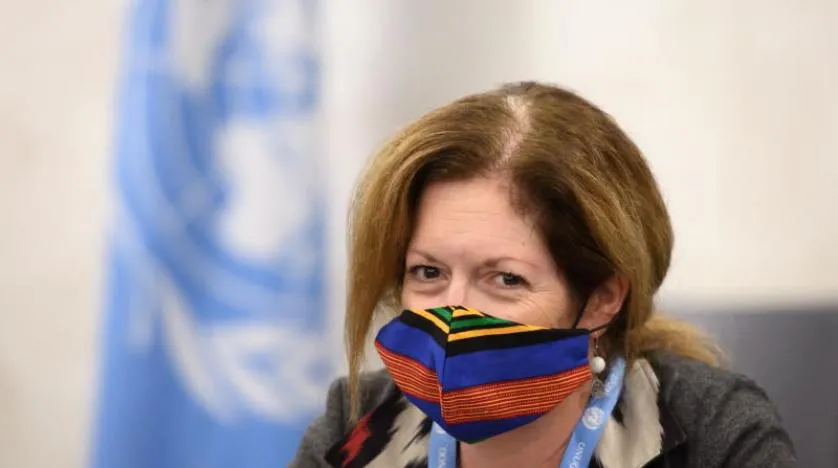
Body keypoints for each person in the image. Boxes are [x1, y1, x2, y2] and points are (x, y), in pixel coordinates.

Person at [290, 82, 797, 467]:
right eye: (428, 272)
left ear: (602, 298)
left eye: (505, 279)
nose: (453, 310)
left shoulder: (711, 430)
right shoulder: (355, 426)